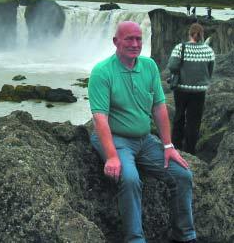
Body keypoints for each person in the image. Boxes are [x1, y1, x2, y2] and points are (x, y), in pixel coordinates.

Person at [88, 21, 196, 243]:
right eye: (129, 39)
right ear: (116, 42)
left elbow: (159, 108)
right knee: (129, 179)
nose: (135, 44)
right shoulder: (102, 72)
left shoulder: (149, 67)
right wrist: (111, 156)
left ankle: (185, 235)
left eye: (138, 39)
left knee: (183, 175)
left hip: (145, 140)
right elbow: (100, 118)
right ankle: (135, 239)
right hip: (115, 139)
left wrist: (168, 146)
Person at [167, 23, 215, 154]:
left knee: (179, 118)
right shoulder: (208, 51)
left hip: (181, 89)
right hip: (199, 91)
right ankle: (190, 151)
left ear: (190, 33)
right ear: (202, 34)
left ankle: (176, 147)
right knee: (194, 121)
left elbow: (172, 66)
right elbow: (210, 71)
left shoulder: (180, 48)